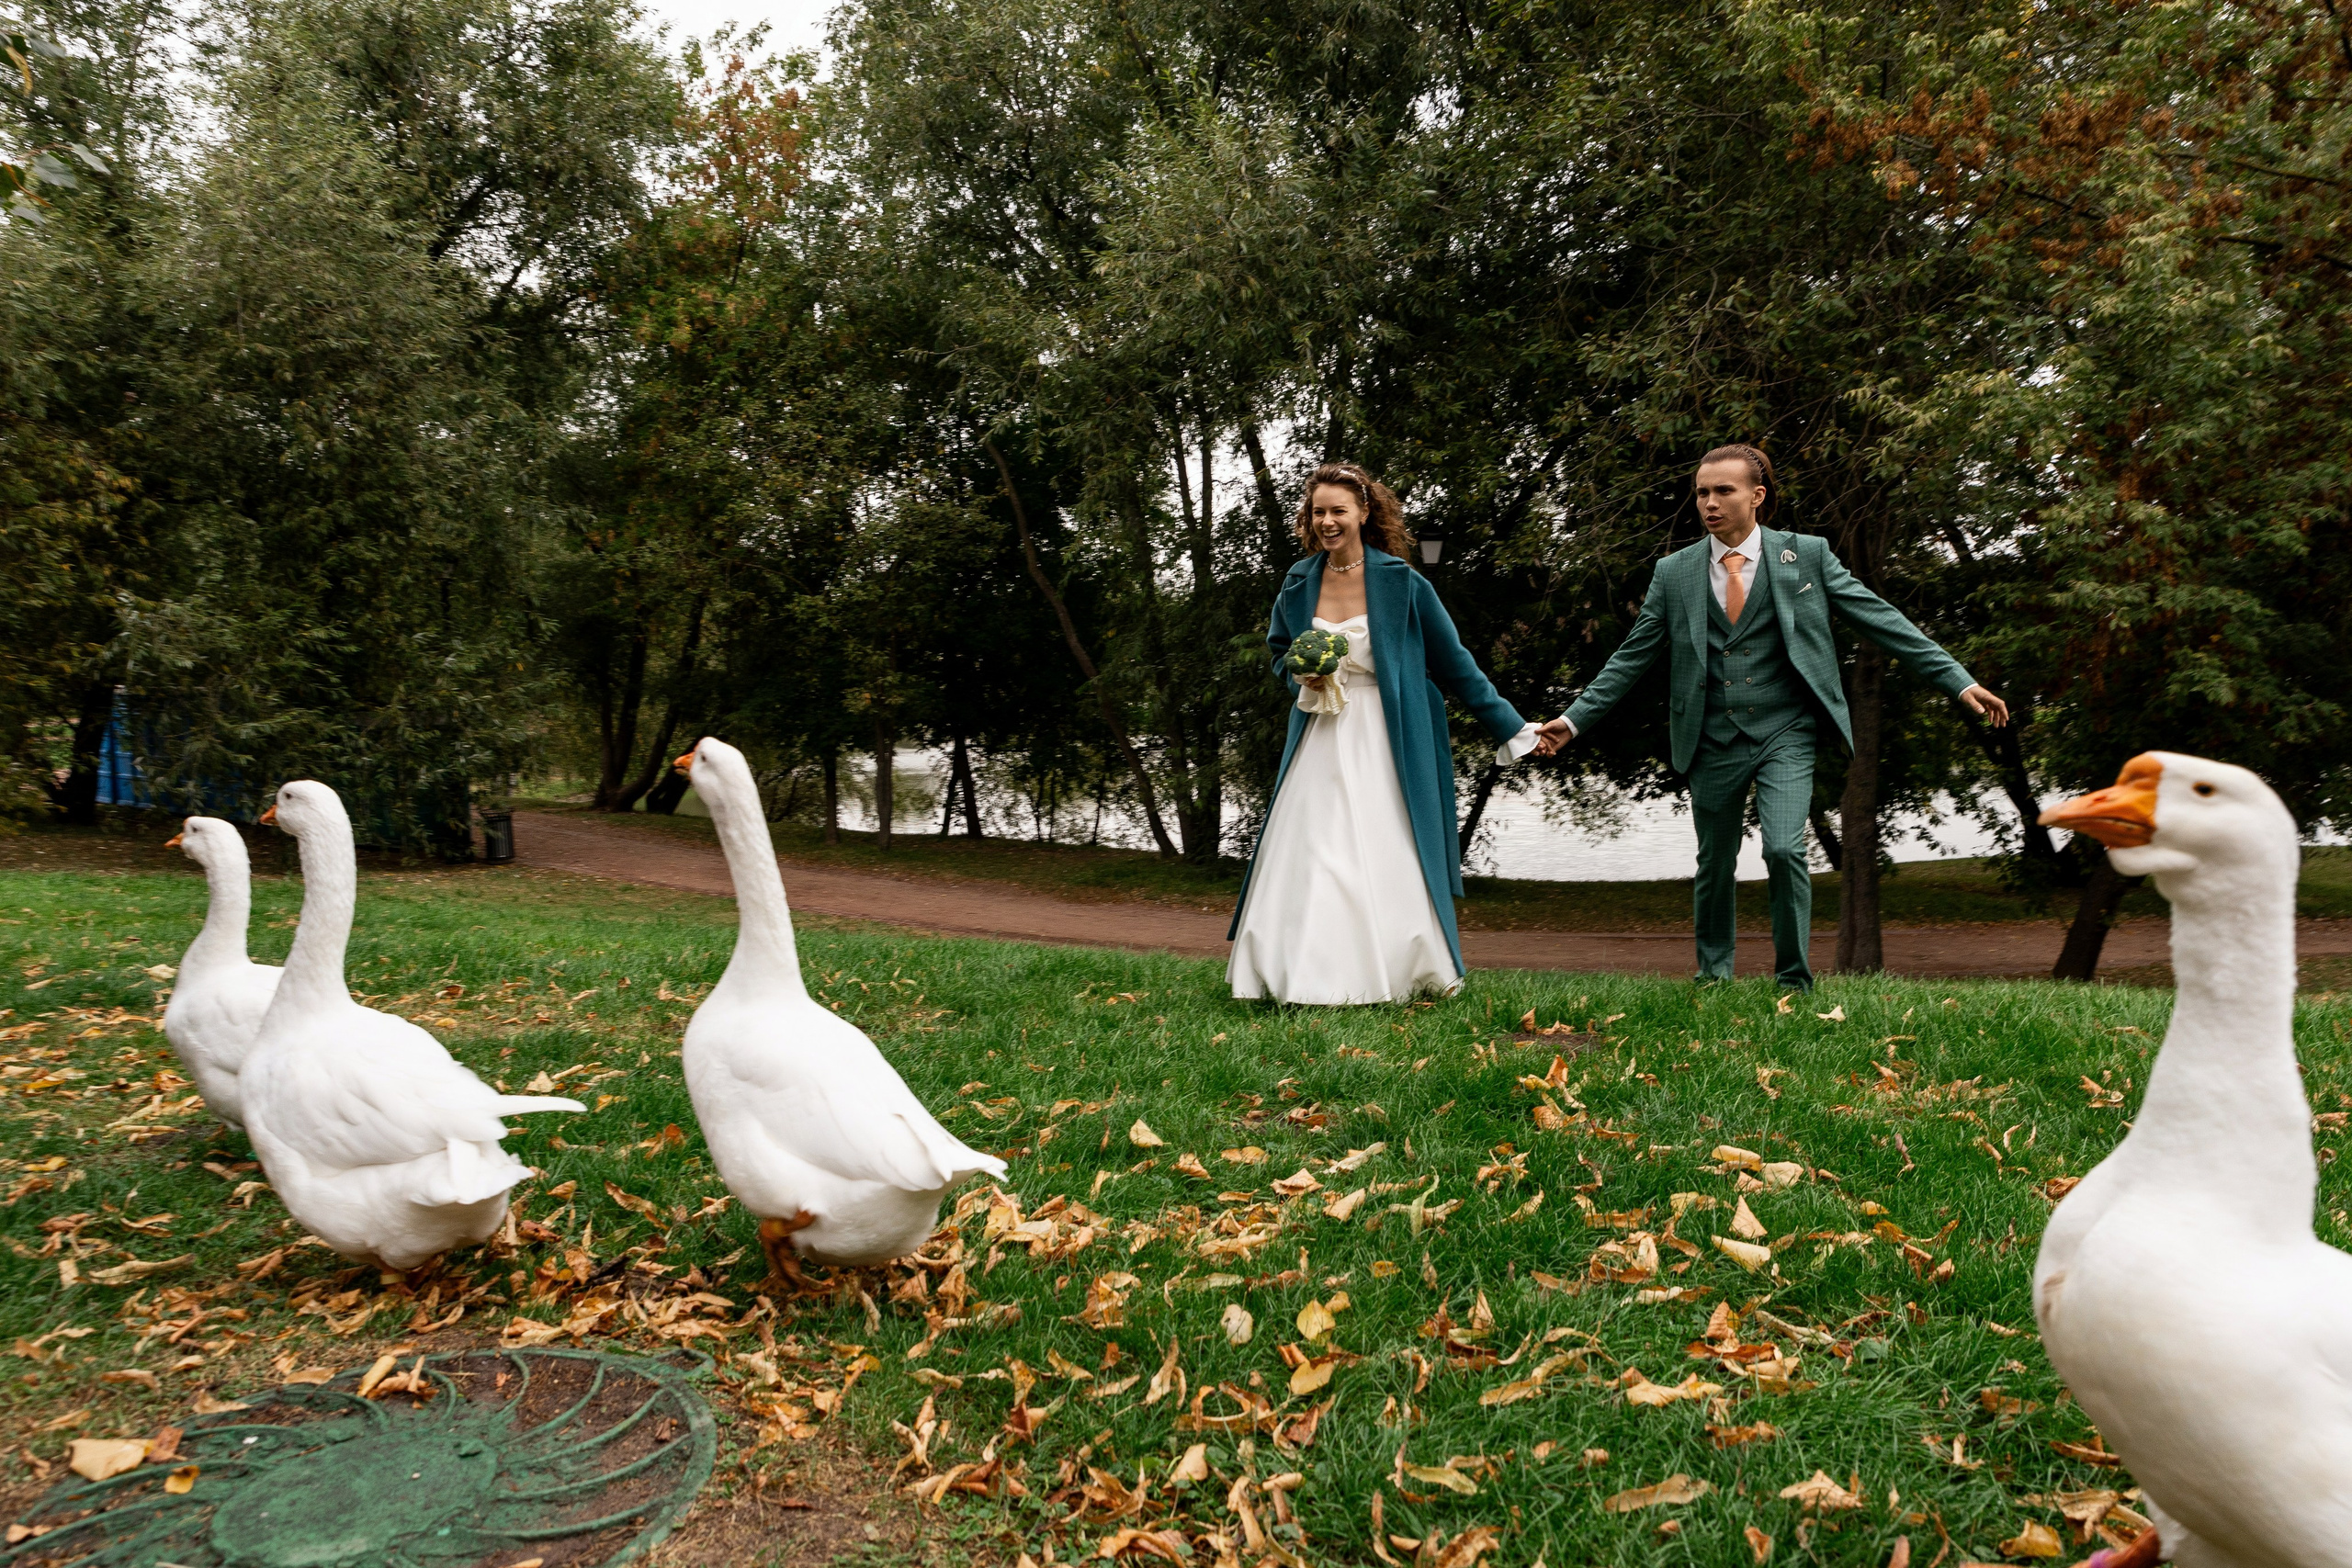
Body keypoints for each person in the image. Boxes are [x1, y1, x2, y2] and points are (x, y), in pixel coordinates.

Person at [1532, 444, 2008, 990]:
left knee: (1784, 847)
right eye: (1701, 492)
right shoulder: (1675, 572)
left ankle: (1793, 981)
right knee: (1715, 862)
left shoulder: (1806, 555)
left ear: (1757, 496)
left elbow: (1881, 618)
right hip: (1711, 734)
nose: (1709, 503)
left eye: (1723, 491)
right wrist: (1571, 722)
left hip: (1786, 728)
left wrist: (1959, 680)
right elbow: (1631, 657)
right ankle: (1713, 976)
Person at [1227, 462, 1539, 1004]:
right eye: (1318, 511)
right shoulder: (1299, 580)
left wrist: (1510, 727)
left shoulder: (1404, 583)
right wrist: (1299, 671)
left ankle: (1395, 970)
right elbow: (1280, 651)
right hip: (1320, 733)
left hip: (1390, 738)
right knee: (1315, 846)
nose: (1327, 521)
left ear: (1364, 513)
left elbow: (1455, 663)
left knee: (1383, 844)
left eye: (1338, 511)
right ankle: (1301, 974)